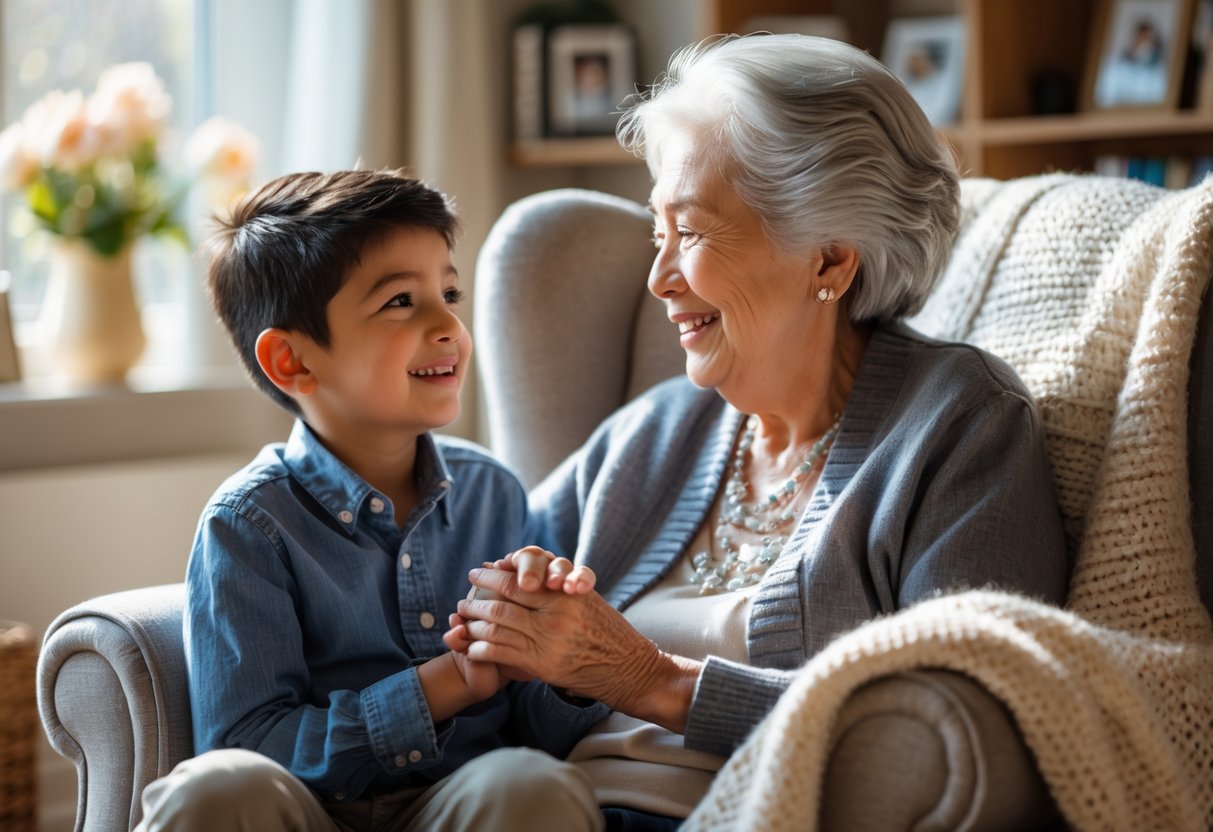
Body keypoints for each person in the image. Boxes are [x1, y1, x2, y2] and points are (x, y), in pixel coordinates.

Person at [449, 33, 1070, 829]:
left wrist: (650, 680)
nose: (658, 278)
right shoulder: (653, 434)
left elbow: (962, 723)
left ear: (828, 261)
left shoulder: (957, 427)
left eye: (693, 232)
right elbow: (490, 660)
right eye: (655, 233)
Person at [135, 169, 605, 832]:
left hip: (459, 805)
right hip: (310, 813)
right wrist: (441, 685)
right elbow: (250, 743)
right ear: (292, 362)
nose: (448, 326)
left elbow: (543, 731)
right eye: (400, 303)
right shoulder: (248, 524)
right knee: (218, 788)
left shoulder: (493, 495)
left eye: (448, 292)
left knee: (533, 785)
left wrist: (566, 659)